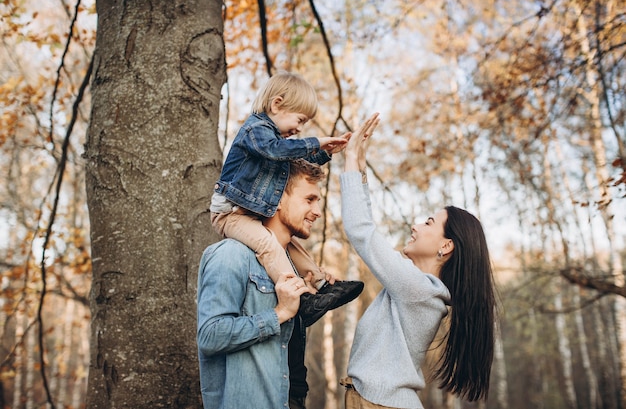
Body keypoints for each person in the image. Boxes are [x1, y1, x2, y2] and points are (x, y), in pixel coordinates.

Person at [339, 113, 497, 408]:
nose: (415, 226)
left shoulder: (418, 289)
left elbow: (361, 230)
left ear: (446, 245)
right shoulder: (418, 289)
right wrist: (360, 169)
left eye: (428, 223)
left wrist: (349, 161)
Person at [210, 71, 363, 327]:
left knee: (287, 243)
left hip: (250, 214)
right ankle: (300, 298)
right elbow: (276, 150)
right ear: (277, 104)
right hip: (230, 214)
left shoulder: (277, 142)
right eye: (300, 120)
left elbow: (297, 158)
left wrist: (325, 152)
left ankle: (322, 284)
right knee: (269, 244)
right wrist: (314, 142)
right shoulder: (256, 130)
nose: (300, 129)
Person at [197, 159, 334, 409]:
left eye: (318, 202)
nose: (317, 211)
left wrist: (306, 300)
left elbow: (284, 345)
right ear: (277, 198)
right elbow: (210, 336)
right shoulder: (231, 255)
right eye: (309, 199)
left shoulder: (291, 267)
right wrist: (279, 313)